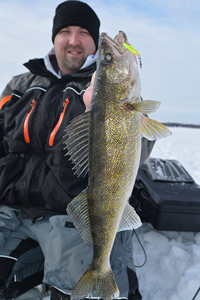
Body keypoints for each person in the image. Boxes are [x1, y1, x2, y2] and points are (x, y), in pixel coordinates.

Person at [0, 1, 155, 300]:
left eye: (84, 32)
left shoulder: (98, 89)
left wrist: (96, 109)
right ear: (54, 38)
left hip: (68, 215)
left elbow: (139, 146)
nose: (73, 40)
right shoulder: (20, 83)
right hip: (10, 209)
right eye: (65, 32)